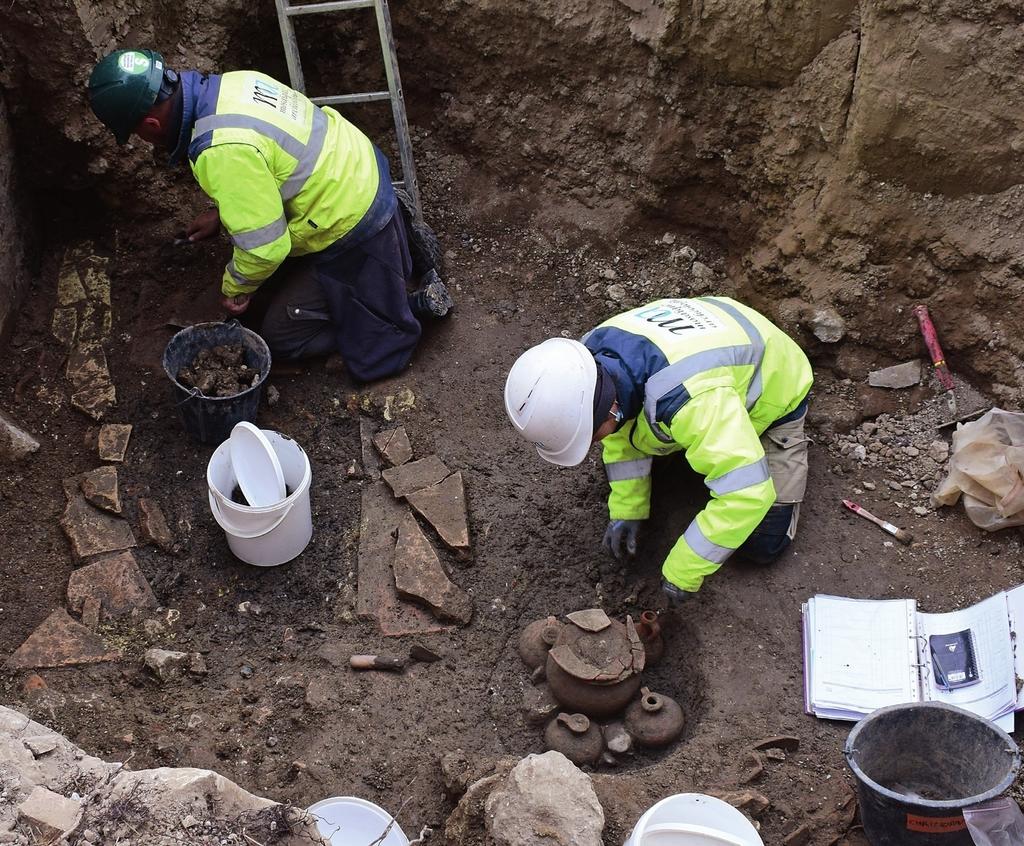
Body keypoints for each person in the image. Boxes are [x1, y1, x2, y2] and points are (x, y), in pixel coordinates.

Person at [87, 48, 451, 382]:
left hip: (348, 222)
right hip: (359, 168)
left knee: (282, 337)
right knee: (277, 280)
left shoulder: (219, 150)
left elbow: (266, 248)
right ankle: (396, 250)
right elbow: (267, 160)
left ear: (150, 127)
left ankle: (404, 304)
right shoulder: (230, 85)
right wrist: (221, 211)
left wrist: (234, 288)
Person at [504, 296, 813, 603]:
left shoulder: (690, 400)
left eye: (590, 436)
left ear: (610, 407)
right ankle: (695, 446)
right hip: (718, 346)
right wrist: (627, 510)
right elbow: (619, 435)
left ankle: (778, 447)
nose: (591, 445)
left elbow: (748, 494)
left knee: (761, 543)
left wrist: (683, 570)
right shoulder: (587, 361)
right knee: (656, 441)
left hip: (776, 384)